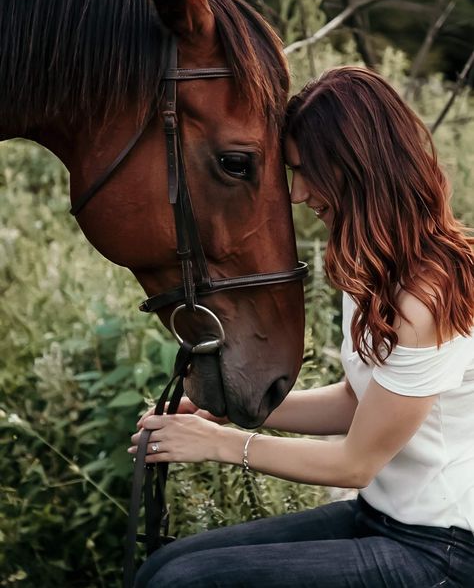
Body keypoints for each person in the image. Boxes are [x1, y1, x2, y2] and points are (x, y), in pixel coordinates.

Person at [130, 67, 474, 587]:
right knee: (161, 567)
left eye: (304, 170)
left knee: (184, 582)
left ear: (356, 167)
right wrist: (228, 411)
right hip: (378, 517)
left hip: (441, 549)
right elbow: (358, 403)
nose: (295, 194)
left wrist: (217, 444)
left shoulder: (426, 295)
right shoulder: (375, 269)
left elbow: (355, 464)